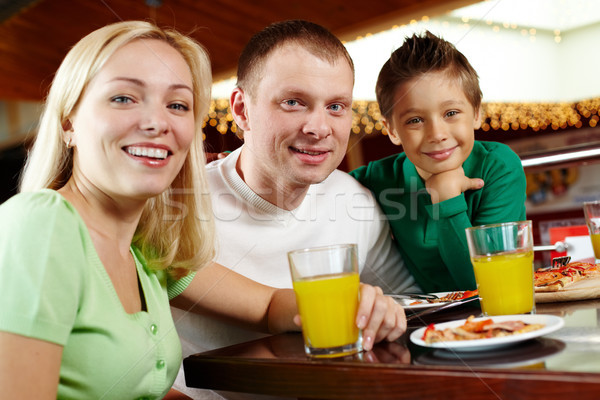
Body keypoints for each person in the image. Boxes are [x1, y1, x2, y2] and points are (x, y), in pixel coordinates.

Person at [0, 21, 406, 399]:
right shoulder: (44, 223)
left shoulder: (150, 244)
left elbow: (269, 306)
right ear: (68, 121)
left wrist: (368, 304)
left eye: (177, 105)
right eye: (124, 98)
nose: (157, 122)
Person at [350, 31, 527, 293]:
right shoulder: (380, 176)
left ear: (477, 113)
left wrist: (447, 198)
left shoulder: (499, 167)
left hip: (505, 315)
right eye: (415, 120)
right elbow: (318, 189)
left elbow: (486, 285)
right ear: (392, 130)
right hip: (424, 326)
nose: (437, 134)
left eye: (451, 113)